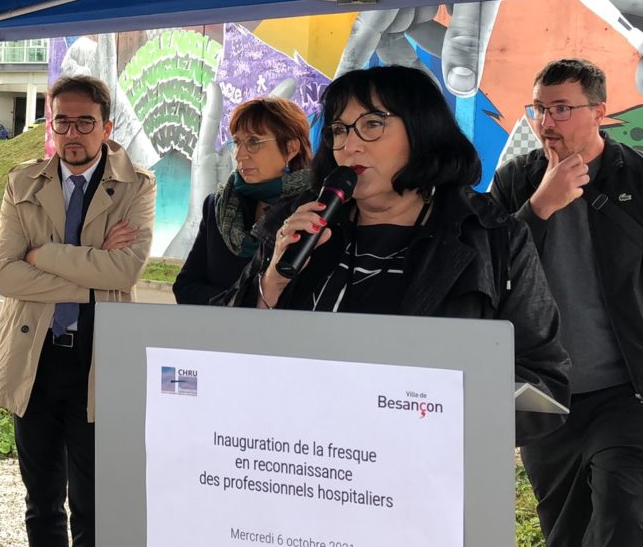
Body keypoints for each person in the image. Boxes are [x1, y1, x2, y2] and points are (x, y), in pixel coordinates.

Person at [231, 66, 570, 444]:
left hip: (419, 468)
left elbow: (543, 380)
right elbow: (222, 352)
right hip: (301, 453)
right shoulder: (297, 222)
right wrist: (273, 281)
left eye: (372, 124)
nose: (349, 145)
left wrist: (427, 415)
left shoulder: (491, 235)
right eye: (339, 130)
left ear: (421, 133)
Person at [490, 58, 643, 547]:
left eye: (563, 109)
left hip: (633, 395)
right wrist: (539, 209)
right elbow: (486, 279)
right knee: (566, 541)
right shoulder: (514, 183)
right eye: (539, 109)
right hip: (548, 399)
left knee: (620, 528)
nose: (547, 122)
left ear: (599, 112)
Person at [0, 75, 156, 547]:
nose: (73, 133)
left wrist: (42, 256)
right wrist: (93, 268)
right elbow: (5, 275)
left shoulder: (136, 185)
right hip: (33, 358)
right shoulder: (22, 182)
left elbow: (127, 269)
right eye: (64, 121)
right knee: (41, 503)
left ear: (106, 126)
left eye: (86, 122)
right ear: (51, 125)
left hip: (97, 361)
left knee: (93, 505)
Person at [173, 96, 313, 305]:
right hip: (218, 336)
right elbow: (185, 288)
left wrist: (227, 301)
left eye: (254, 142)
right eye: (237, 142)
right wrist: (249, 303)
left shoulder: (311, 211)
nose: (240, 155)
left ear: (291, 149)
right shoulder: (217, 206)